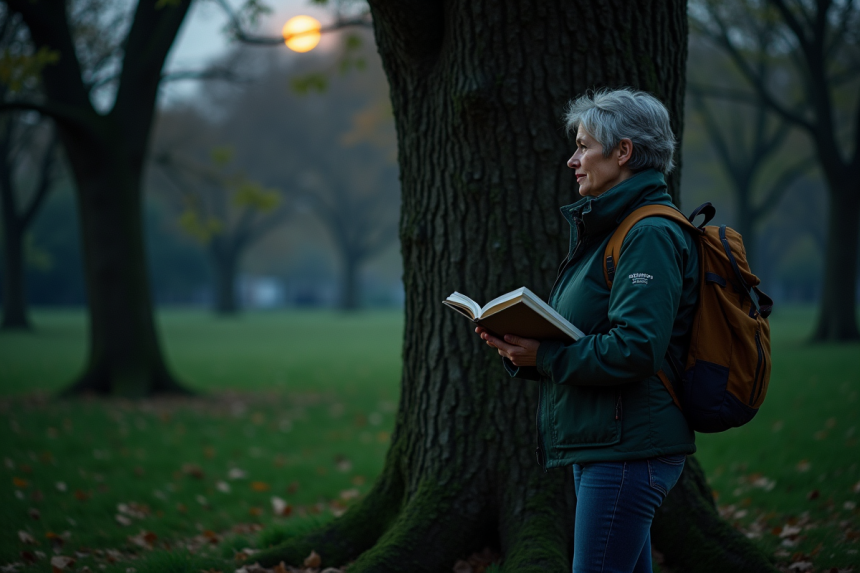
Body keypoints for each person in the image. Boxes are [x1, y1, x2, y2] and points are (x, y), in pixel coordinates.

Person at [476, 88, 698, 573]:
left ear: (624, 152)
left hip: (628, 450)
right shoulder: (612, 229)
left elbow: (636, 349)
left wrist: (547, 357)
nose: (573, 160)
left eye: (583, 146)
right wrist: (525, 351)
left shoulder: (649, 234)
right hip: (605, 440)